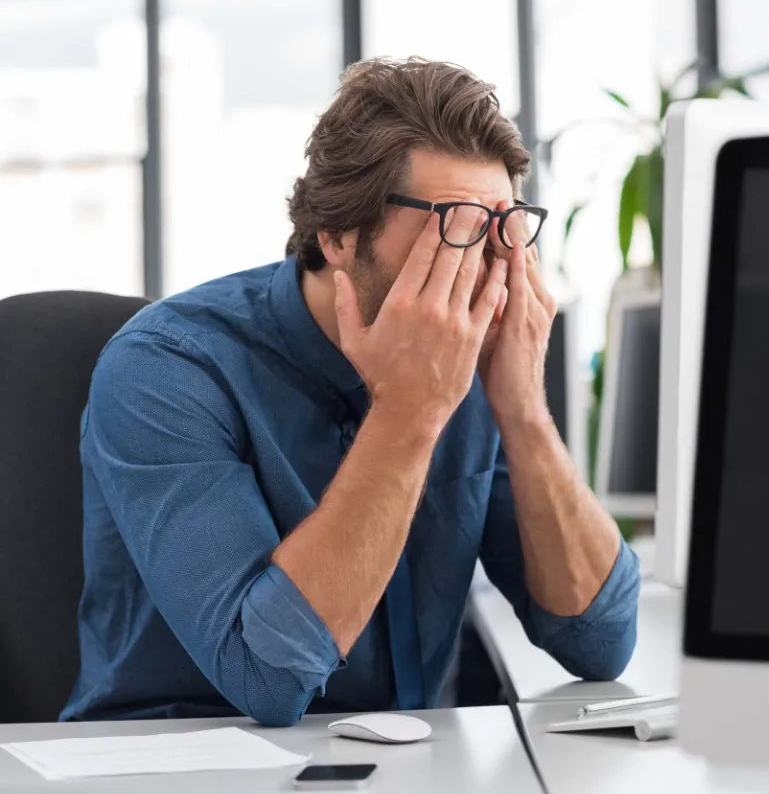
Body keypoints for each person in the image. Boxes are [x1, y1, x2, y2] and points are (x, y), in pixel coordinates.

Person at [62, 58, 640, 725]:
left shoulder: (478, 362)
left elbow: (600, 641)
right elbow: (268, 679)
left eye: (503, 228)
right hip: (180, 765)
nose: (484, 267)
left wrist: (523, 410)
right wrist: (410, 410)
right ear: (337, 234)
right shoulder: (167, 369)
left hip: (409, 765)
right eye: (455, 225)